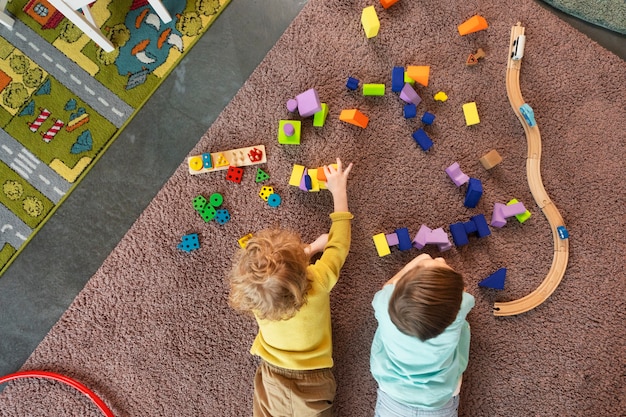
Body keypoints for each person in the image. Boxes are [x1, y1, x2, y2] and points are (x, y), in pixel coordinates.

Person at [228, 158, 354, 417]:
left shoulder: (254, 296)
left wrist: (310, 249)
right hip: (313, 381)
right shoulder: (317, 280)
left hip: (271, 372)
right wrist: (339, 193)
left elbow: (275, 276)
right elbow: (339, 245)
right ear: (303, 270)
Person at [370, 253, 475, 417]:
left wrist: (420, 260)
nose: (439, 259)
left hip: (393, 398)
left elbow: (387, 286)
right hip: (439, 400)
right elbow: (462, 292)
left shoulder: (385, 303)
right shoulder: (460, 308)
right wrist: (440, 274)